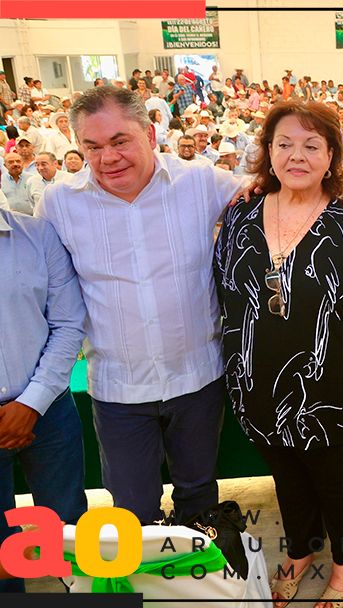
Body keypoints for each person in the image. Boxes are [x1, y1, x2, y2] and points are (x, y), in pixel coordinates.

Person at [215, 99, 343, 608]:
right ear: (268, 152)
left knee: (337, 483)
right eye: (284, 144)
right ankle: (301, 549)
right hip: (257, 388)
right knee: (288, 480)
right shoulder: (240, 217)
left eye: (311, 145)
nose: (295, 155)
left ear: (331, 158)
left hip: (330, 393)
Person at [35, 85, 245, 524]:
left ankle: (194, 590)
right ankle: (146, 592)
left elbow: (272, 194)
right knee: (132, 511)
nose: (107, 158)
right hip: (118, 390)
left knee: (199, 498)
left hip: (198, 380)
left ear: (150, 134)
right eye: (91, 147)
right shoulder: (58, 203)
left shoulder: (201, 180)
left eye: (119, 141)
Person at [0, 203, 88, 594]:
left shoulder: (37, 235)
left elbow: (68, 323)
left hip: (48, 410)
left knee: (70, 529)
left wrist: (30, 403)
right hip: (42, 406)